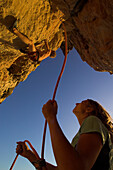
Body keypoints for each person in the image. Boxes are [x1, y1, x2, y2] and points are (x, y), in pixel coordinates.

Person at [16, 99, 113, 170]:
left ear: (89, 109)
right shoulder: (81, 135)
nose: (76, 103)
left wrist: (51, 118)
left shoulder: (93, 120)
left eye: (82, 102)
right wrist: (29, 155)